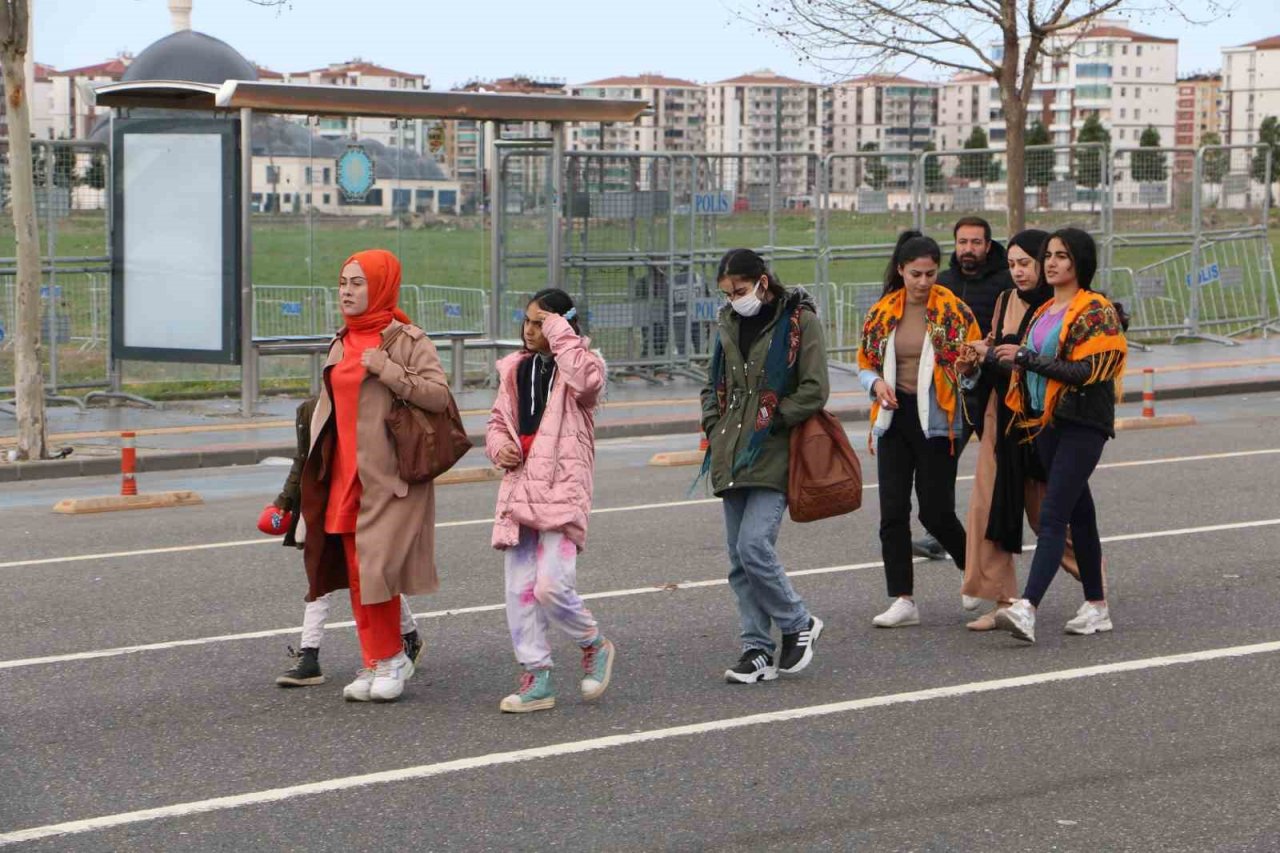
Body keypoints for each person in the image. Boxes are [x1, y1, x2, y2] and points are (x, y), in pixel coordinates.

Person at [299, 249, 450, 702]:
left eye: (357, 283)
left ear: (381, 286)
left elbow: (439, 397)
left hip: (389, 477)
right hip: (343, 474)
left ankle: (391, 659)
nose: (346, 291)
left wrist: (389, 371)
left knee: (378, 567)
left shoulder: (406, 340)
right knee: (357, 571)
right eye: (343, 282)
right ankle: (376, 659)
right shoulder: (340, 340)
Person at [992, 227, 1128, 643]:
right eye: (1048, 254)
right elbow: (1031, 364)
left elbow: (1086, 372)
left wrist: (1026, 357)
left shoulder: (1095, 310)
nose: (1051, 262)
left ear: (1079, 263)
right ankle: (1097, 606)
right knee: (1080, 513)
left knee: (1052, 517)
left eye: (1062, 256)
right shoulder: (1045, 309)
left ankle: (1027, 608)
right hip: (1046, 422)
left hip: (1083, 422)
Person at [699, 248, 829, 684]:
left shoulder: (800, 322)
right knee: (739, 558)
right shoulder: (727, 322)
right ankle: (756, 649)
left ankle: (798, 622)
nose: (734, 299)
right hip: (730, 449)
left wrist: (771, 418)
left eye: (739, 290)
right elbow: (712, 382)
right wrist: (715, 426)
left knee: (755, 545)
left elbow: (814, 389)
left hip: (774, 450)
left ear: (762, 281)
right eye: (727, 293)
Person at [486, 288, 616, 713]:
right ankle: (536, 676)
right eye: (526, 321)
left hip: (562, 489)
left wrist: (559, 331)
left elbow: (587, 384)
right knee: (520, 591)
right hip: (521, 489)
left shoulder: (583, 365)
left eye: (540, 322)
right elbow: (497, 421)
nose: (529, 330)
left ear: (562, 325)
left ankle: (593, 643)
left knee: (551, 585)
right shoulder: (515, 370)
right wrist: (499, 446)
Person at [956, 230, 1082, 631]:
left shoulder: (1061, 306)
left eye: (1026, 263)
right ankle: (1004, 599)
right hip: (1001, 418)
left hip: (1043, 421)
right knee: (987, 506)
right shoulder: (1005, 300)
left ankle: (1094, 587)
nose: (1019, 272)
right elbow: (995, 346)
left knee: (1048, 515)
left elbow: (1053, 362)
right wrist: (974, 359)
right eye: (1012, 264)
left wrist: (994, 354)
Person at [857, 231, 981, 628]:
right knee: (892, 511)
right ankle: (903, 599)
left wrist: (969, 367)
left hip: (940, 420)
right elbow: (865, 364)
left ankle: (972, 570)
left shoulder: (955, 312)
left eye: (930, 273)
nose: (924, 282)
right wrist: (875, 384)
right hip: (894, 417)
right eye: (916, 274)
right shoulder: (881, 312)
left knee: (935, 510)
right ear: (901, 271)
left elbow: (975, 360)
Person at [258, 396, 422, 687]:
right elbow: (303, 461)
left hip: (363, 506)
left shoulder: (371, 405)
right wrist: (283, 503)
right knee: (319, 577)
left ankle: (409, 636)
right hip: (322, 507)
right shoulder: (310, 410)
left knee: (372, 577)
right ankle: (309, 656)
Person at [914, 215, 1014, 561]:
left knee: (1002, 460)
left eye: (975, 242)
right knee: (943, 460)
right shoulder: (942, 283)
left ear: (988, 245)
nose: (968, 249)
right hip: (951, 390)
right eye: (962, 242)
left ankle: (1004, 527)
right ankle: (937, 531)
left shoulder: (1005, 282)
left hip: (994, 387)